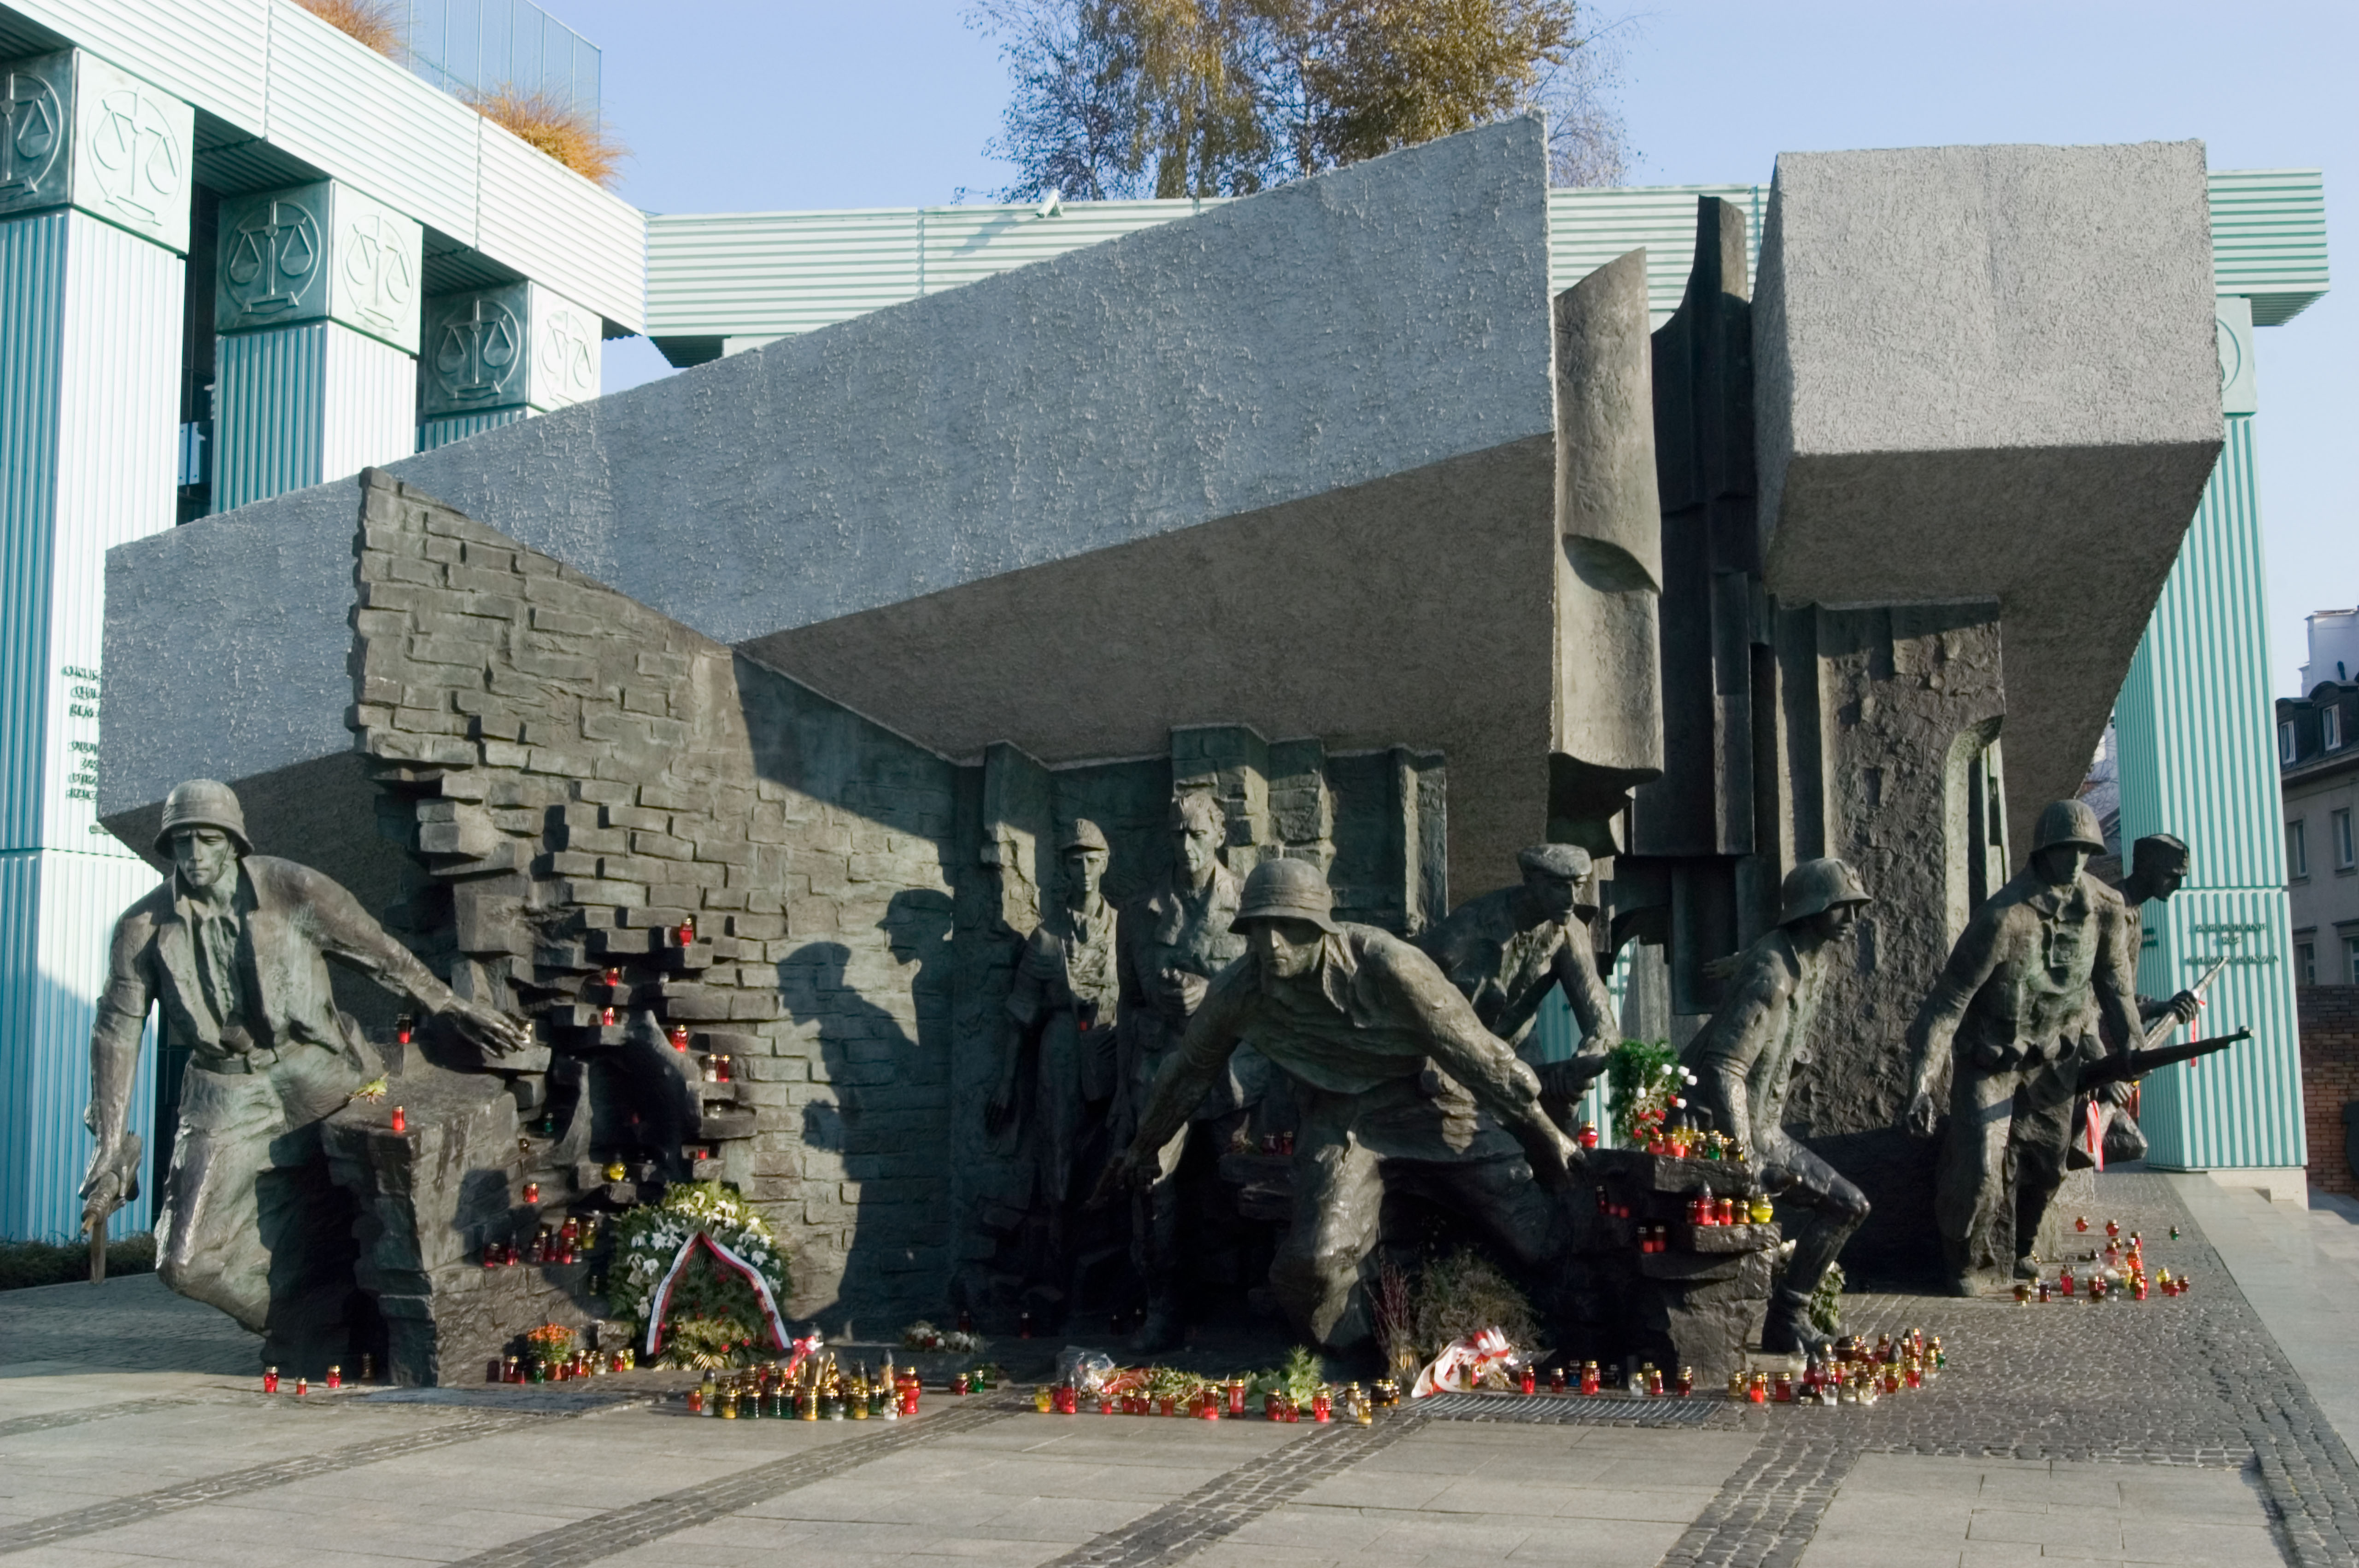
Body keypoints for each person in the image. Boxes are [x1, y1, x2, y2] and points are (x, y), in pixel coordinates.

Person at [81, 780, 527, 1337]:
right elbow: (118, 1028)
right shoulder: (140, 928)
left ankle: (372, 1316)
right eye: (182, 841)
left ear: (233, 843)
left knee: (371, 1189)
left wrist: (450, 1004)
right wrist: (110, 1142)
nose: (195, 854)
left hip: (315, 1064)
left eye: (207, 839)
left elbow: (377, 952)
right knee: (184, 1263)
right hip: (225, 1090)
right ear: (168, 848)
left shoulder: (291, 887)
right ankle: (304, 1329)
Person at [1099, 857, 1582, 1352]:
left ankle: (1565, 1330)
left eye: (1287, 927)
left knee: (1532, 1233)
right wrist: (1142, 1146)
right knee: (1312, 1262)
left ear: (1320, 927)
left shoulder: (1387, 963)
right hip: (1340, 1117)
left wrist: (1546, 1134)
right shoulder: (1239, 990)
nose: (1271, 945)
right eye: (1258, 929)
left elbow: (1477, 1053)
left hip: (1430, 1102)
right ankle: (1351, 1354)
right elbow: (1185, 1074)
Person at [1900, 799, 2142, 1294]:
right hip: (1989, 1059)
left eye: (2084, 850)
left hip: (2056, 1060)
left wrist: (2130, 1044)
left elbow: (2114, 985)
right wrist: (1919, 1085)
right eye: (2066, 849)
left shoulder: (2104, 909)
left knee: (2048, 1167)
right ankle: (1962, 1261)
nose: (2075, 860)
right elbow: (1945, 1005)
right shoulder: (2002, 918)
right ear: (2043, 851)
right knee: (1980, 1169)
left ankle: (2021, 1247)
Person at [1682, 859, 1872, 1353]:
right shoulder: (1771, 974)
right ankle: (1785, 1318)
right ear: (1810, 911)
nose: (1852, 919)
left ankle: (1787, 1317)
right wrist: (1745, 1159)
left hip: (1762, 1125)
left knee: (1849, 1205)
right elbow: (1723, 1068)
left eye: (1855, 907)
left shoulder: (1809, 960)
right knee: (1843, 1204)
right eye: (1841, 908)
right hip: (1714, 1128)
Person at [1112, 791, 1249, 1352]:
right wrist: (1124, 1087)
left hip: (1233, 1070)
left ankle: (1249, 1304)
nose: (1187, 845)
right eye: (1178, 835)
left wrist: (1208, 995)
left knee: (1244, 1185)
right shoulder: (1139, 911)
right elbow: (1126, 1002)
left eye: (1197, 833)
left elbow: (1267, 989)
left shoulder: (1247, 901)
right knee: (1153, 1190)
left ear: (1219, 835)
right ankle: (1163, 1307)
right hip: (1161, 1070)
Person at [986, 820, 1121, 1290]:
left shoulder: (1123, 928)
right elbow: (1019, 1013)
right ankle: (1060, 1239)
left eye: (1091, 859)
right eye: (1074, 860)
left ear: (1105, 862)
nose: (1083, 870)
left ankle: (1113, 1239)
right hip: (1061, 1047)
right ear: (1063, 867)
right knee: (1057, 1142)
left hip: (1110, 1044)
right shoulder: (1045, 937)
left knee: (1113, 1140)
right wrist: (1005, 1080)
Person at [1417, 843, 1621, 1130]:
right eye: (1559, 886)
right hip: (1452, 1056)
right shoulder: (1472, 925)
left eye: (1578, 886)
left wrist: (1590, 1056)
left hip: (1519, 1051)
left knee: (1560, 1132)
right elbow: (1413, 988)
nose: (1572, 898)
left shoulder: (1569, 931)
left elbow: (1599, 1012)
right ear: (1530, 881)